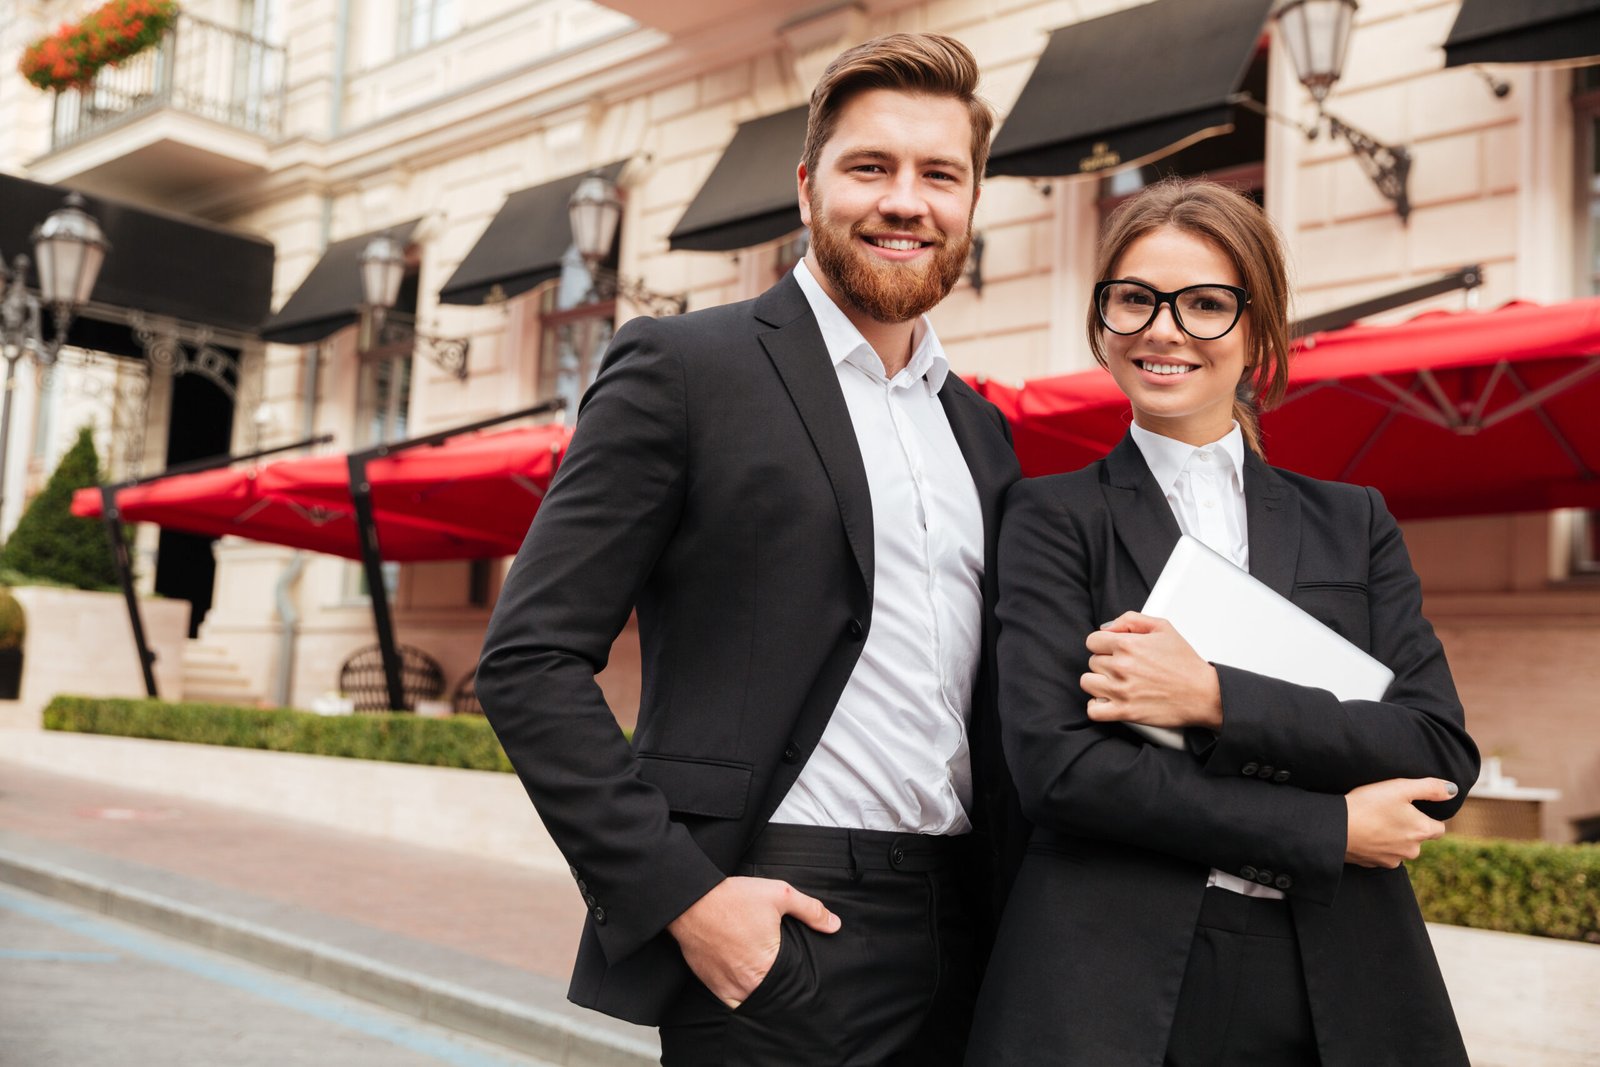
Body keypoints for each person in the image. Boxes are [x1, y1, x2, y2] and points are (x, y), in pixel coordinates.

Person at [476, 33, 1021, 1067]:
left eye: (939, 175)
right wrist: (683, 894)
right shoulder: (684, 368)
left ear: (970, 200)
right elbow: (528, 660)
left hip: (969, 926)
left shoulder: (981, 432)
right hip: (779, 916)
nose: (906, 201)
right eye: (871, 167)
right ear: (808, 186)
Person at [965, 179, 1480, 1067]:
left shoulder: (1352, 521)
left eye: (1206, 304)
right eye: (1135, 299)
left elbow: (1436, 753)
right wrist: (1325, 828)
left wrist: (1214, 698)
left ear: (1258, 331)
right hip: (1109, 977)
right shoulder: (1049, 516)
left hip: (1338, 974)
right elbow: (1060, 772)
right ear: (1102, 323)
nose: (1163, 329)